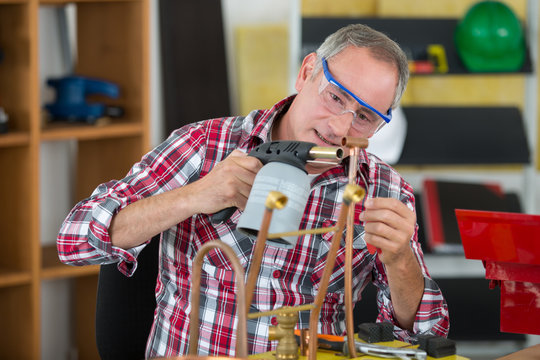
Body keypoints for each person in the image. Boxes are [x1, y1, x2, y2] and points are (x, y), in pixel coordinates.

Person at [57, 23, 449, 358]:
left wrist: (401, 263)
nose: (339, 128)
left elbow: (428, 334)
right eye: (335, 97)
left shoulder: (383, 190)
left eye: (364, 117)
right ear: (307, 71)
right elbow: (74, 242)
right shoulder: (204, 145)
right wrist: (194, 196)